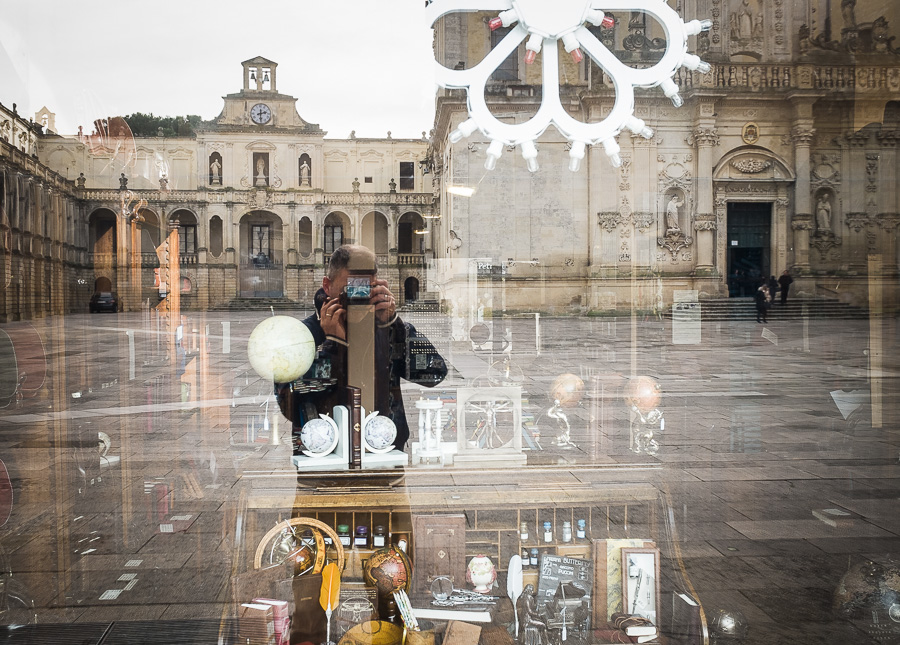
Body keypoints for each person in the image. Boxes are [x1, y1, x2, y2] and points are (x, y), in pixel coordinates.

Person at [276, 245, 447, 451]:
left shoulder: (387, 329)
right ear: (327, 285)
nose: (358, 296)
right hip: (320, 458)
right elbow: (288, 403)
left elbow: (434, 373)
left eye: (367, 288)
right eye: (351, 287)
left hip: (384, 452)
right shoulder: (300, 336)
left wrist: (393, 324)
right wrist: (332, 345)